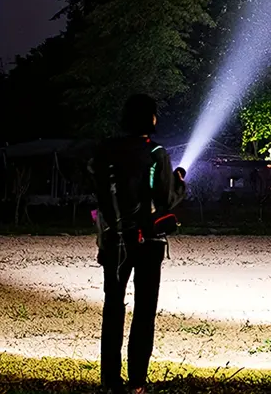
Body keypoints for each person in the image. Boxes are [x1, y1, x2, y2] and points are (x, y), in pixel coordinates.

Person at [89, 94, 186, 394]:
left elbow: (98, 189)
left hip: (113, 240)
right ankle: (137, 382)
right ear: (151, 119)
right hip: (148, 241)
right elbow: (165, 197)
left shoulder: (105, 151)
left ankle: (110, 381)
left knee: (113, 307)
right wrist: (179, 181)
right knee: (144, 310)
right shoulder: (156, 152)